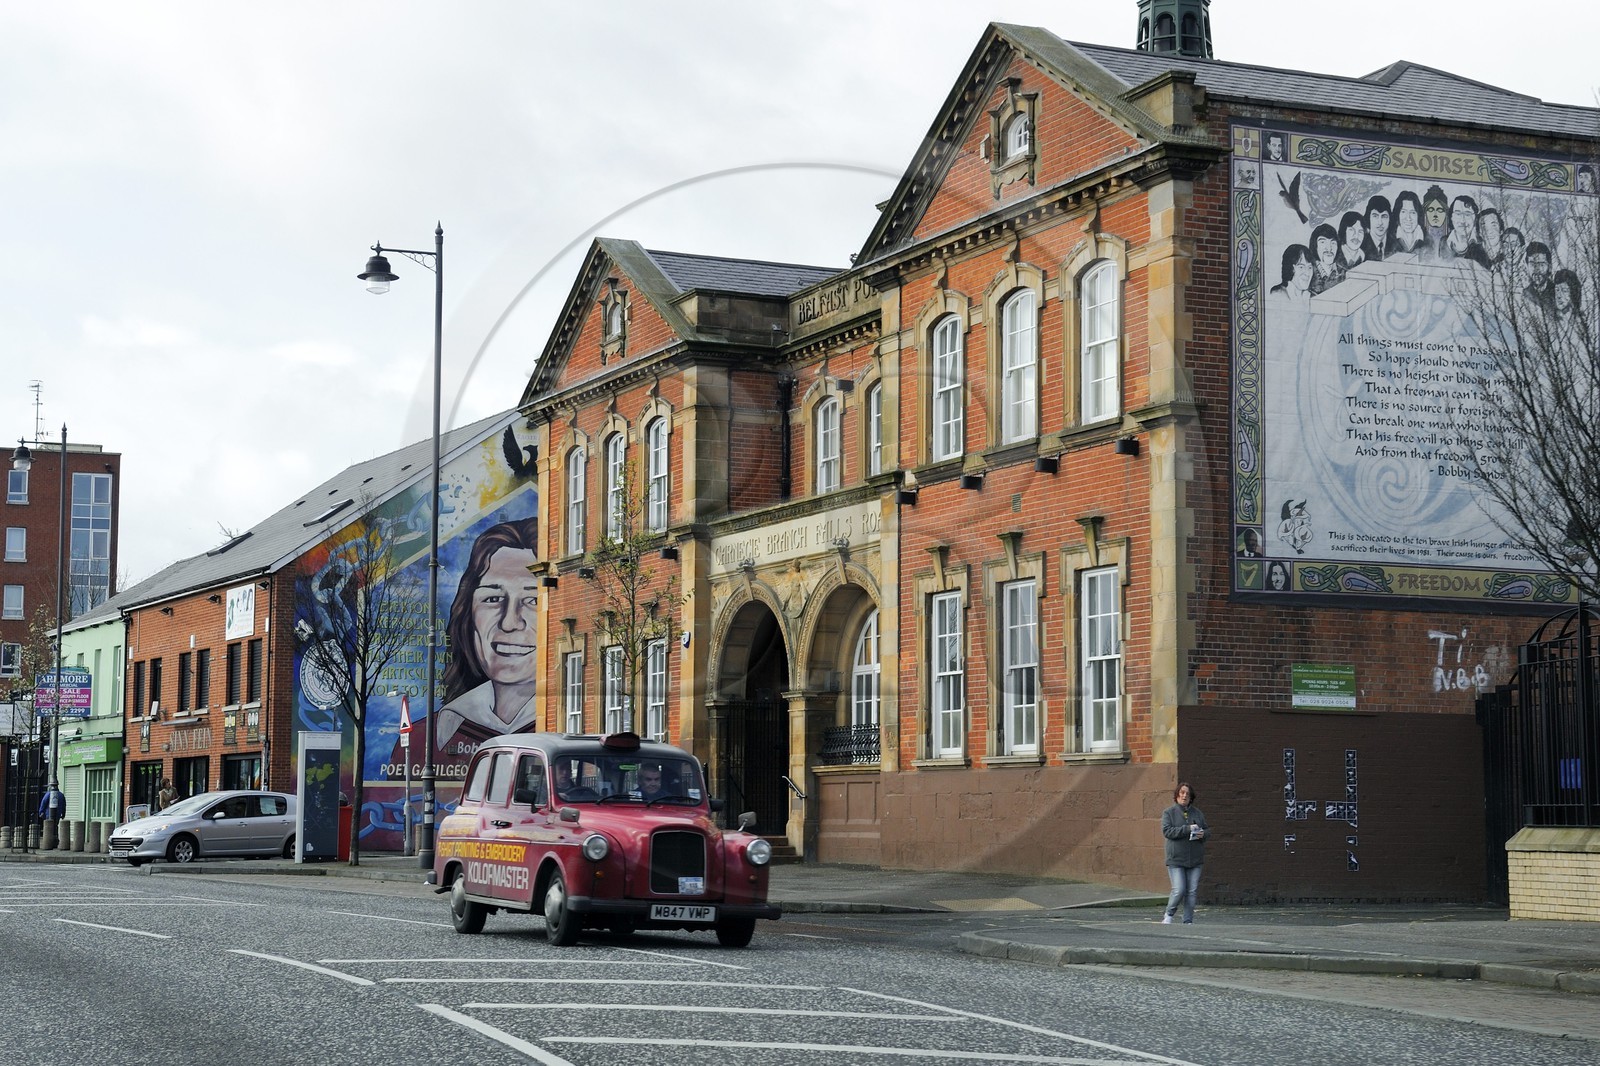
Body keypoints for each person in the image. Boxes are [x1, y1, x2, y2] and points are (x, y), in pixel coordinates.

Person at [432, 517, 542, 759]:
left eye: (533, 601)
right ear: (468, 614)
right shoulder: (426, 740)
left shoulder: (565, 732)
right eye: (493, 599)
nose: (510, 622)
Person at [1161, 782, 1209, 925]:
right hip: (1176, 858)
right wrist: (1187, 829)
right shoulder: (1169, 813)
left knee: (1192, 892)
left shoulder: (1197, 813)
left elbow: (1207, 830)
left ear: (1191, 797)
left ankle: (1188, 920)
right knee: (1179, 889)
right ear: (1176, 796)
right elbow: (1167, 831)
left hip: (1195, 859)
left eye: (1187, 794)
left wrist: (1203, 834)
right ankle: (1169, 914)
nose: (1184, 796)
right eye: (1182, 793)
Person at [1307, 224, 1343, 295]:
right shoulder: (1307, 275)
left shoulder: (1344, 274)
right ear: (1315, 246)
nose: (1329, 248)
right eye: (1323, 242)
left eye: (1333, 243)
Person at [1389, 190, 1427, 255]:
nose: (1408, 218)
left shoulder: (1428, 240)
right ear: (1398, 214)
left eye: (1412, 212)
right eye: (1403, 212)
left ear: (1418, 215)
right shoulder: (1389, 239)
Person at [1360, 195, 1391, 262]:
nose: (1380, 223)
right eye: (1375, 216)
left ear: (1389, 219)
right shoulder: (1360, 245)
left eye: (1384, 216)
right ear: (1368, 218)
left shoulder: (1397, 245)